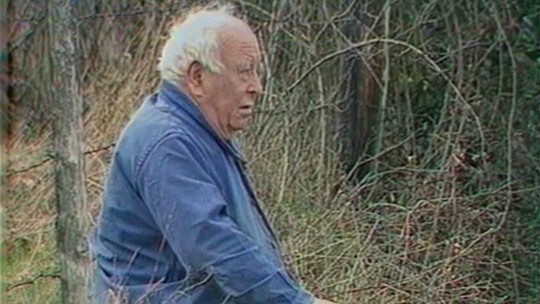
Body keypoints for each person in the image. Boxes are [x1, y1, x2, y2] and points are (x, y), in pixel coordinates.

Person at [88, 3, 337, 304]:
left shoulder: (201, 132)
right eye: (244, 71)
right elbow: (213, 245)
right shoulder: (167, 141)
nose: (256, 86)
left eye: (256, 72)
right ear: (197, 78)